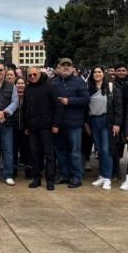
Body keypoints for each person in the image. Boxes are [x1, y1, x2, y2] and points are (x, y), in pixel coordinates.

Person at [50, 58, 89, 188]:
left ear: (73, 68)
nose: (65, 67)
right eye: (63, 65)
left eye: (68, 65)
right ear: (58, 68)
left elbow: (85, 100)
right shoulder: (53, 82)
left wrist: (69, 101)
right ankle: (64, 174)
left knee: (75, 152)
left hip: (74, 124)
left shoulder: (79, 82)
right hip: (58, 124)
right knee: (60, 151)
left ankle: (77, 177)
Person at [22, 67, 62, 190]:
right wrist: (26, 126)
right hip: (32, 128)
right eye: (30, 75)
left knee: (49, 155)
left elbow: (57, 107)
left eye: (35, 74)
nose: (32, 77)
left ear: (39, 74)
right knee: (34, 154)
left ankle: (50, 180)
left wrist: (55, 124)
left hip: (47, 127)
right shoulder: (27, 88)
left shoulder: (50, 87)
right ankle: (36, 179)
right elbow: (25, 108)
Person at [86, 66, 123, 191]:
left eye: (99, 72)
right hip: (93, 121)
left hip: (107, 121)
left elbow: (118, 107)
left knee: (107, 150)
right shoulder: (88, 88)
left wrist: (117, 123)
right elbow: (86, 108)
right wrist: (87, 123)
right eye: (95, 72)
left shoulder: (111, 88)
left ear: (103, 74)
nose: (97, 74)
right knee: (100, 150)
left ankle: (108, 177)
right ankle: (102, 175)